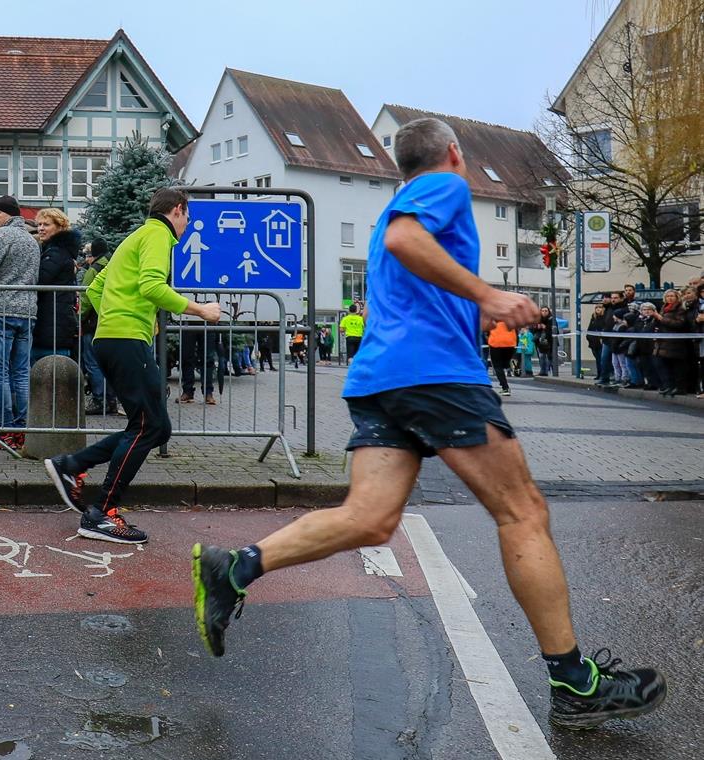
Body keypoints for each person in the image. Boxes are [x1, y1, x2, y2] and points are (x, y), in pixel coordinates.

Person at [190, 117, 665, 730]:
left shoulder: (396, 203)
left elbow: (403, 246)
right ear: (454, 154)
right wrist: (490, 296)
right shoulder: (443, 187)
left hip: (381, 381)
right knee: (522, 512)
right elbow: (407, 242)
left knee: (369, 518)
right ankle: (575, 682)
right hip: (436, 375)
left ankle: (236, 568)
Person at [44, 187, 222, 544]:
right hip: (127, 339)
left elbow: (95, 290)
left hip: (111, 339)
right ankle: (101, 513)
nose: (187, 225)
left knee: (156, 427)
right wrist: (201, 309)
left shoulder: (135, 237)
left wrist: (111, 318)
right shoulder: (158, 234)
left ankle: (73, 465)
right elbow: (153, 286)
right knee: (148, 426)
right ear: (178, 210)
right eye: (187, 217)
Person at [0, 195, 39, 450]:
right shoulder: (32, 241)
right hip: (27, 312)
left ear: (8, 215)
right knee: (21, 373)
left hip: (1, 311)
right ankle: (22, 429)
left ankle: (4, 430)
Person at [31, 208, 78, 365]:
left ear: (59, 227)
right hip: (54, 322)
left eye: (46, 224)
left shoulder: (56, 253)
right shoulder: (56, 251)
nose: (41, 228)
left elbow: (40, 279)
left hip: (52, 324)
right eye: (39, 224)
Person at [80, 240, 118, 415]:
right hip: (110, 321)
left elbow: (86, 297)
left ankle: (99, 400)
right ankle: (111, 400)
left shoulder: (94, 269)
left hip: (93, 322)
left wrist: (78, 319)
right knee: (108, 364)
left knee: (93, 363)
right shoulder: (114, 264)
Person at [652, 288, 691, 397]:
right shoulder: (664, 308)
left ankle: (679, 388)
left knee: (677, 367)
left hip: (675, 342)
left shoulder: (680, 309)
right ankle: (668, 386)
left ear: (677, 297)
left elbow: (679, 324)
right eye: (668, 296)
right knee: (663, 366)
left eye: (672, 296)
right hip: (662, 342)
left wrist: (661, 319)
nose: (670, 298)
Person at [486, 320, 516, 396]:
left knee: (497, 366)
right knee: (504, 363)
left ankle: (505, 387)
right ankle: (507, 366)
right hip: (510, 342)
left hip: (496, 343)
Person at [533, 306, 557, 376]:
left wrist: (545, 327)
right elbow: (534, 331)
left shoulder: (551, 319)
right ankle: (543, 371)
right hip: (540, 342)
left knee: (551, 357)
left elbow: (555, 331)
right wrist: (537, 327)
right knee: (541, 357)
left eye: (546, 311)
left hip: (550, 342)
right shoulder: (538, 320)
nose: (544, 312)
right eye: (542, 311)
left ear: (548, 311)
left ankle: (554, 372)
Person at [585, 304, 605, 381]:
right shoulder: (593, 317)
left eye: (600, 307)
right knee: (597, 359)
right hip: (593, 343)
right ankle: (599, 374)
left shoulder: (603, 318)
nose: (598, 309)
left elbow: (601, 327)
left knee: (602, 359)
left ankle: (603, 375)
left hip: (600, 343)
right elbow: (590, 329)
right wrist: (589, 338)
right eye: (596, 307)